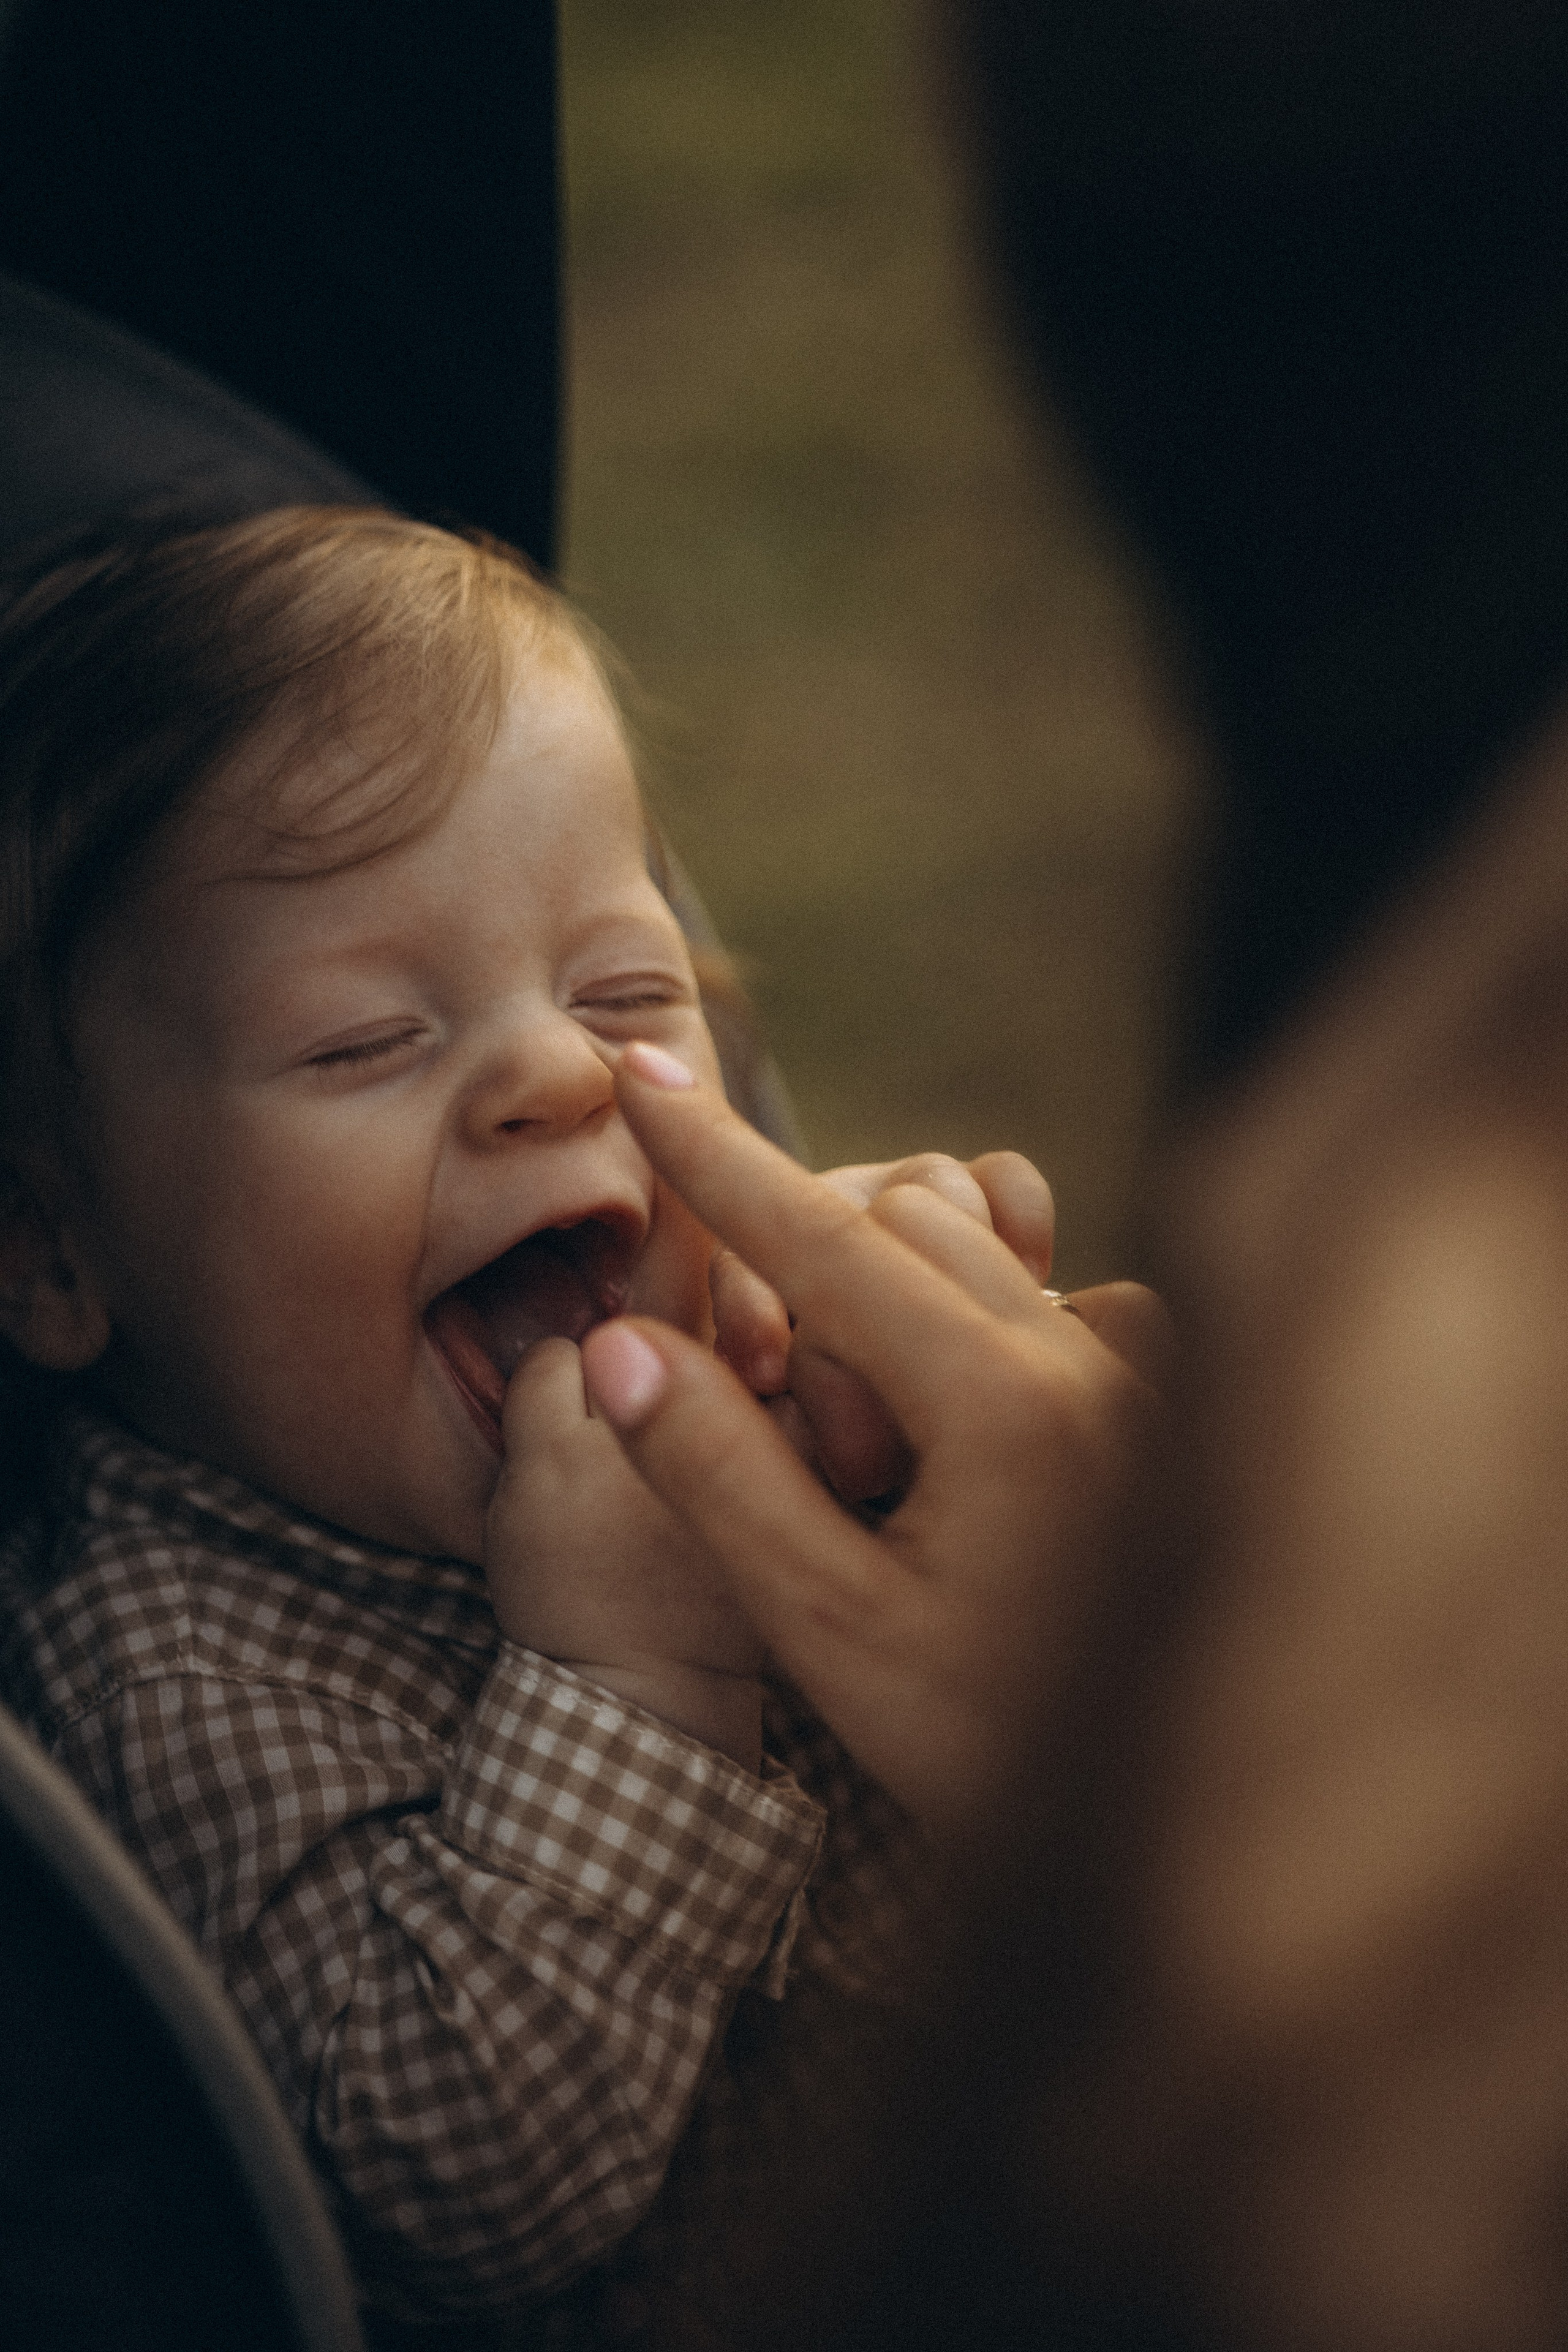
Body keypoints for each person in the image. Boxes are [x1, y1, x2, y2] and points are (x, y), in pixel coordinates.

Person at [0, 501, 1156, 2336]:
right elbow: (460, 2183)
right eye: (366, 1040)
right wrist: (637, 1679)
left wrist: (914, 1445)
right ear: (61, 1252)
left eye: (627, 996)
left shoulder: (725, 1356)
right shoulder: (178, 1658)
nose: (554, 1070)